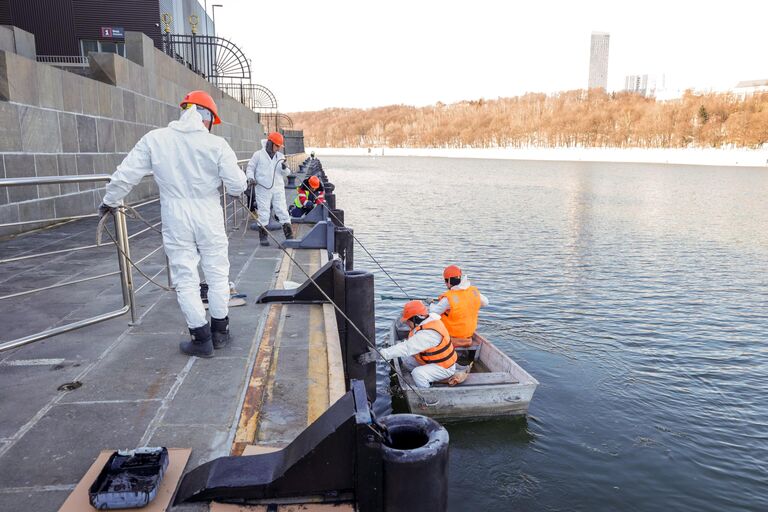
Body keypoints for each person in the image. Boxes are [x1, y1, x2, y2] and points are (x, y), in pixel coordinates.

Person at [98, 90, 247, 358]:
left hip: (175, 214)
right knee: (217, 274)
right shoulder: (217, 145)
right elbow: (236, 185)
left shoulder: (156, 140)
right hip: (209, 213)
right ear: (208, 118)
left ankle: (201, 339)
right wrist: (242, 184)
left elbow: (126, 174)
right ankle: (220, 332)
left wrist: (110, 200)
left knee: (185, 277)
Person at [357, 300, 457, 388]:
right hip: (433, 362)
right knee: (406, 362)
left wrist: (380, 354)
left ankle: (426, 392)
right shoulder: (428, 322)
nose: (406, 324)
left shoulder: (428, 334)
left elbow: (406, 348)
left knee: (418, 374)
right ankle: (431, 378)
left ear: (415, 319)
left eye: (408, 321)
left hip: (444, 367)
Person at [246, 132, 293, 246]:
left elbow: (287, 172)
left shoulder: (280, 157)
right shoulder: (258, 155)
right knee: (263, 212)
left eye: (279, 146)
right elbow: (250, 168)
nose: (278, 148)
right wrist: (250, 178)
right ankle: (263, 237)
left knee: (282, 210)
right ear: (270, 143)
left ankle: (289, 236)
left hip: (278, 189)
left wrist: (284, 168)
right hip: (263, 188)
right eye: (276, 146)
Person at [429, 265, 489, 346]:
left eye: (445, 282)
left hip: (453, 334)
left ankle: (450, 341)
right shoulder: (473, 291)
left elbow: (433, 312)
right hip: (468, 333)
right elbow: (486, 302)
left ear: (448, 282)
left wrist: (431, 303)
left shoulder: (448, 298)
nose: (446, 285)